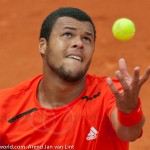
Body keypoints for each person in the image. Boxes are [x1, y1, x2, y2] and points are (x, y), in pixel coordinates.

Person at [0, 7, 149, 150]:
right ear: (43, 46)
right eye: (68, 34)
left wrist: (129, 110)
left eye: (86, 39)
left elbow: (129, 132)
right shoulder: (6, 106)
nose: (79, 43)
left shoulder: (110, 93)